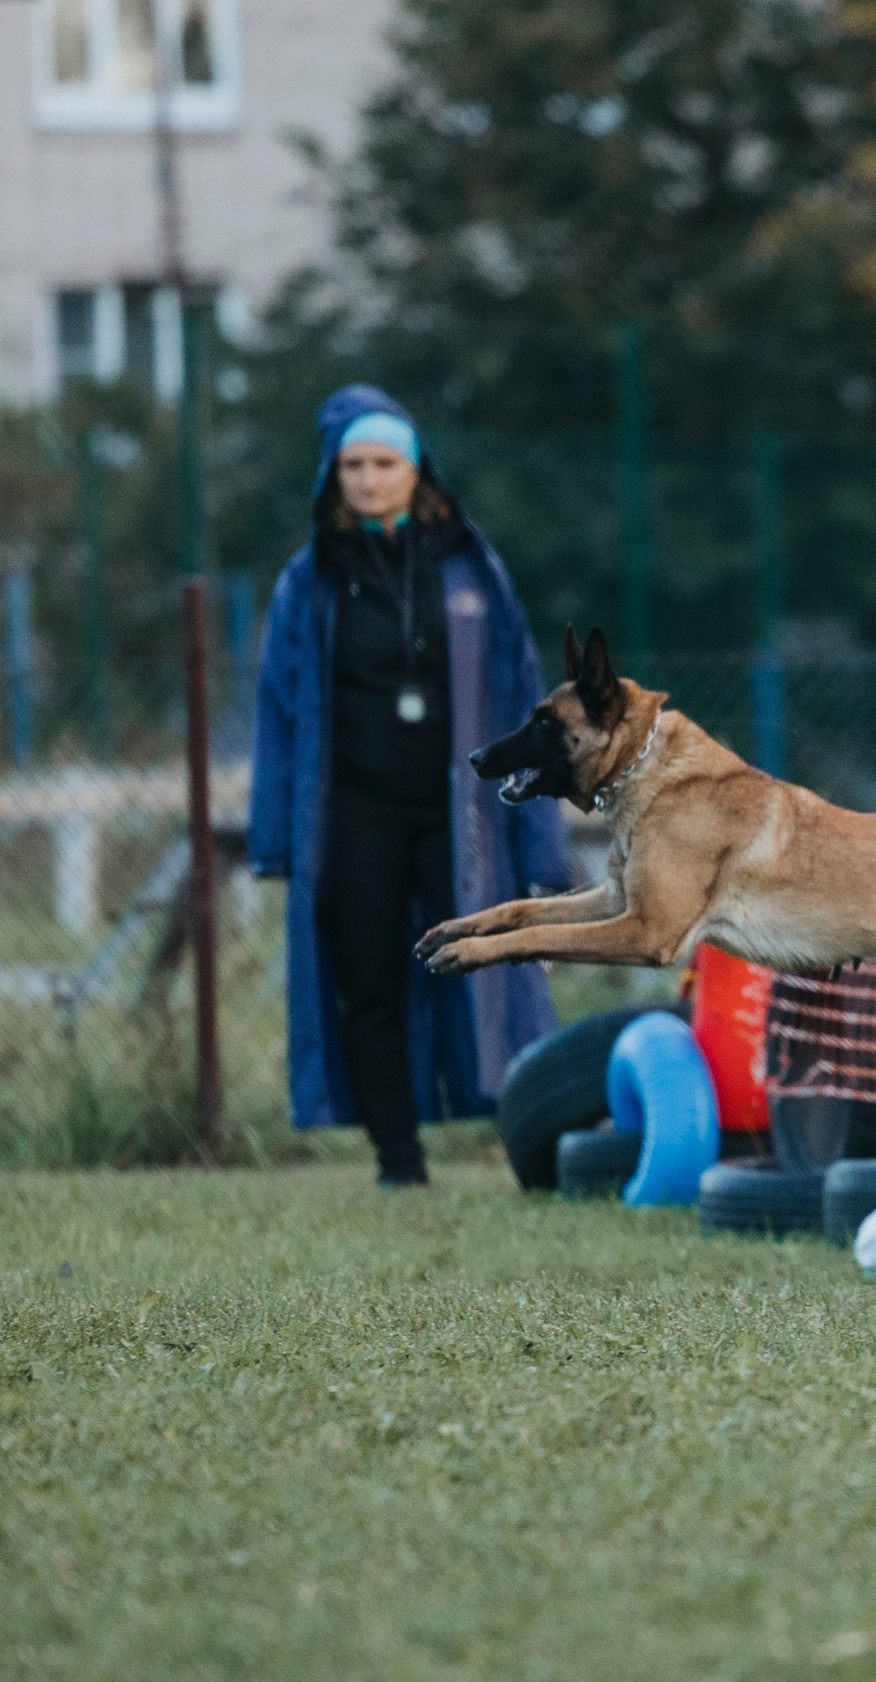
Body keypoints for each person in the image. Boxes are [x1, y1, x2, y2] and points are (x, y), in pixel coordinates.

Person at [249, 385, 571, 1185]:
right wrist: (274, 839)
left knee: (496, 966)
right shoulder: (311, 579)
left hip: (458, 810)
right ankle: (399, 1158)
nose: (367, 479)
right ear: (334, 474)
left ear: (416, 470)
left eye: (383, 462)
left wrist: (540, 841)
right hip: (353, 809)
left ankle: (533, 1143)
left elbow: (517, 692)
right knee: (369, 978)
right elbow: (278, 710)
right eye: (352, 464)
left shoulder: (471, 565)